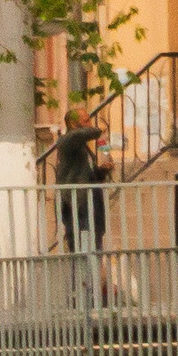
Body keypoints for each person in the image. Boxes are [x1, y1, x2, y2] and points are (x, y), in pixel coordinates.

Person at [52, 108, 109, 254]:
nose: (89, 124)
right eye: (85, 120)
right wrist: (98, 130)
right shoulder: (67, 141)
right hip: (77, 202)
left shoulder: (82, 148)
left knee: (95, 245)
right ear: (73, 123)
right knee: (80, 247)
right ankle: (80, 276)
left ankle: (91, 276)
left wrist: (103, 170)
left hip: (91, 201)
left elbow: (89, 176)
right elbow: (82, 134)